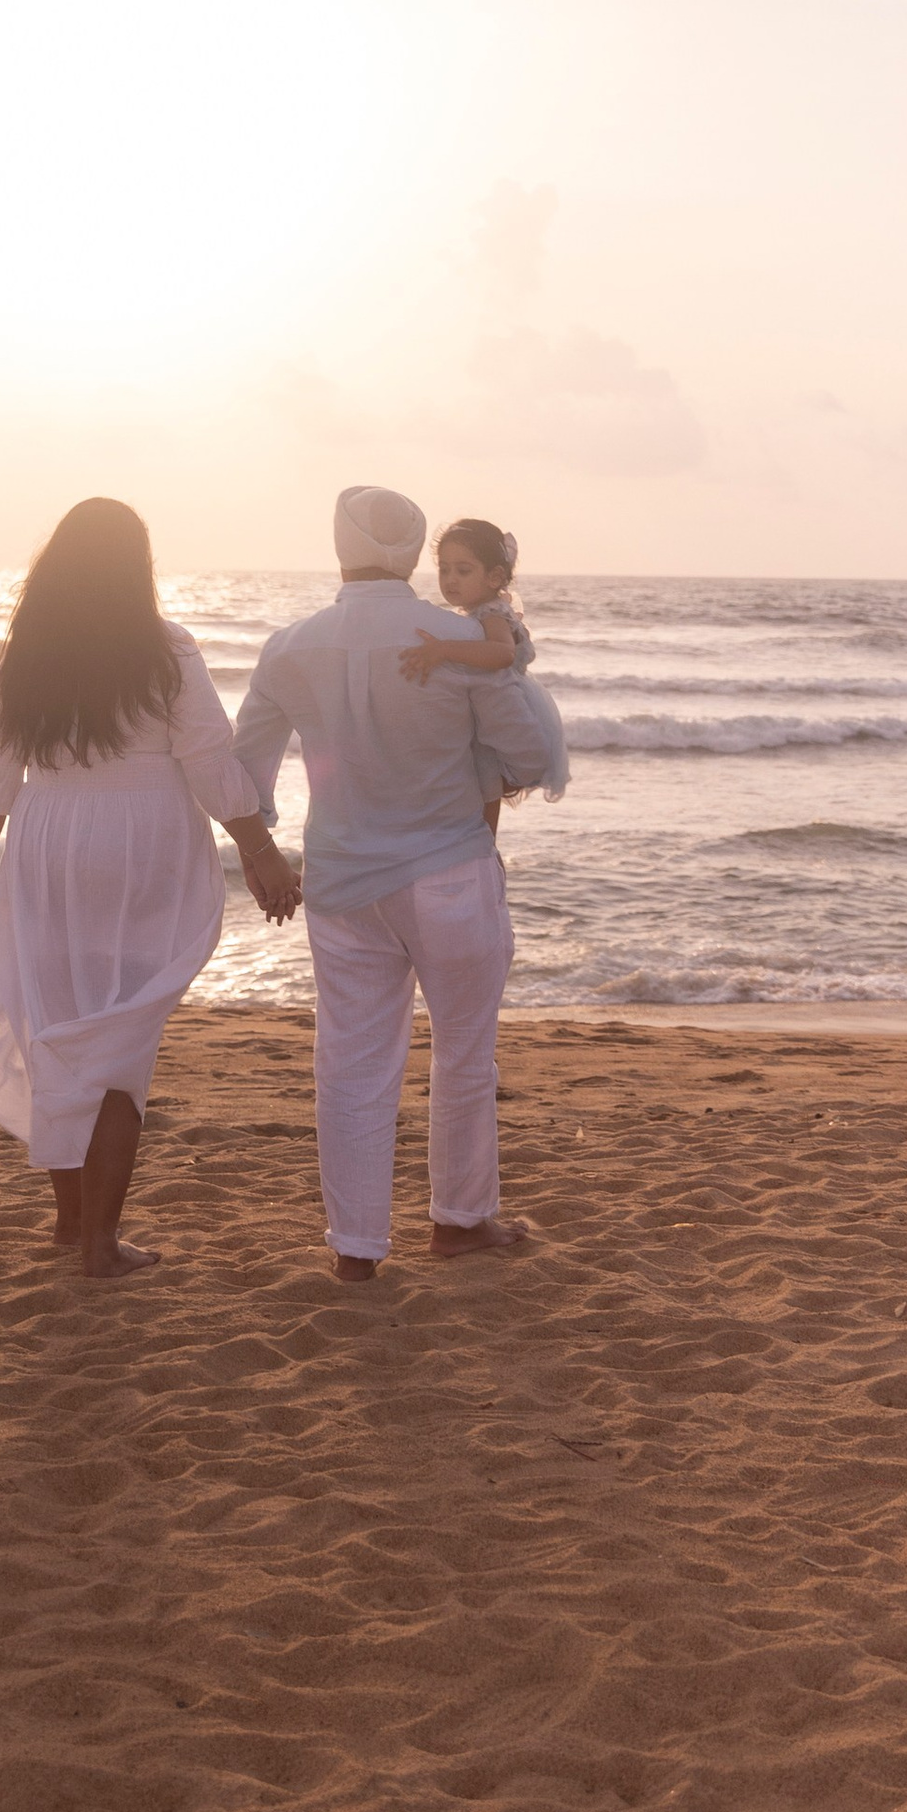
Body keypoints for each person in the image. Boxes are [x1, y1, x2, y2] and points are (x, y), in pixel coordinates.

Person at [0, 497, 299, 1280]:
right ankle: (98, 1241)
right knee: (119, 1042)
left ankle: (72, 1222)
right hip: (142, 850)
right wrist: (260, 852)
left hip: (49, 843)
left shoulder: (29, 651)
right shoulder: (165, 649)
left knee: (59, 1029)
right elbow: (207, 761)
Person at [233, 484, 555, 1283]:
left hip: (342, 884)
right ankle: (460, 1221)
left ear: (338, 545)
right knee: (464, 1055)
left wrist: (260, 849)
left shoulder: (290, 645)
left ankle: (356, 1249)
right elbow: (532, 757)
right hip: (448, 870)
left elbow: (243, 772)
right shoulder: (454, 636)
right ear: (416, 557)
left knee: (349, 1064)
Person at [397, 515, 570, 816]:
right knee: (483, 777)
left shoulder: (492, 614)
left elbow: (501, 654)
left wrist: (444, 650)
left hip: (506, 703)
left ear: (494, 577)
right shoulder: (478, 612)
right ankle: (485, 846)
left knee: (490, 774)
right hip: (489, 705)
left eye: (463, 570)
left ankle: (485, 845)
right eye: (444, 569)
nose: (450, 579)